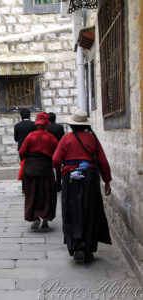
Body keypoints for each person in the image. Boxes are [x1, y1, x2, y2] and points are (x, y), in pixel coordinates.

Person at [52, 110, 112, 264]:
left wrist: (68, 164)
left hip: (71, 180)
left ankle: (76, 246)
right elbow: (103, 162)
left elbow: (56, 161)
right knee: (90, 210)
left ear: (72, 125)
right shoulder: (93, 139)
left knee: (72, 211)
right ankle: (88, 248)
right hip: (90, 180)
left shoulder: (66, 139)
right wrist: (107, 181)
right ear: (85, 125)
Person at [19, 112, 58, 230]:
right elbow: (56, 153)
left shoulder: (31, 136)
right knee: (47, 194)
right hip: (46, 168)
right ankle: (45, 219)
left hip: (31, 169)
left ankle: (35, 217)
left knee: (32, 193)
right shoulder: (51, 138)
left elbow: (22, 152)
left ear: (37, 123)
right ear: (47, 124)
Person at [14, 108, 36, 193]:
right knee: (33, 167)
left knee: (24, 167)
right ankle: (32, 187)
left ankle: (24, 188)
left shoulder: (17, 126)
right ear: (29, 115)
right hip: (32, 149)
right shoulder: (34, 124)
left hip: (21, 149)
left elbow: (16, 139)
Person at [47, 112, 65, 192]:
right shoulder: (60, 127)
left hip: (49, 149)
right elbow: (62, 138)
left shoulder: (46, 128)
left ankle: (51, 185)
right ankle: (59, 186)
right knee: (58, 168)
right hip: (58, 149)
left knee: (49, 168)